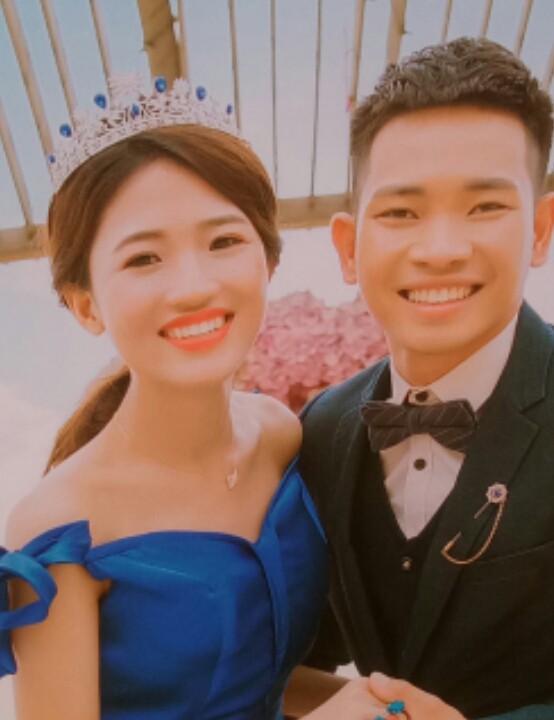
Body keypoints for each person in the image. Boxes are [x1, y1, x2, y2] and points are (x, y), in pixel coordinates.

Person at [299, 37, 554, 719]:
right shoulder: (322, 429)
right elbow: (297, 650)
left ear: (542, 229)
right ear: (349, 246)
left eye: (485, 207)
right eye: (401, 212)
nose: (440, 249)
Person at [0, 78, 398, 720]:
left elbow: (256, 682)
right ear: (85, 304)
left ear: (268, 262)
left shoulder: (279, 435)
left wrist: (388, 702)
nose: (192, 286)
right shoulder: (59, 529)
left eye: (223, 242)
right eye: (143, 259)